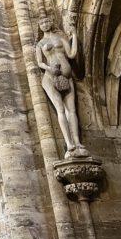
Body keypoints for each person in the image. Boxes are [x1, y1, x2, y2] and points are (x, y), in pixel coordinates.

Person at [35, 16, 87, 157]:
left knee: (72, 110)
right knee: (60, 110)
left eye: (47, 21)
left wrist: (74, 35)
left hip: (67, 76)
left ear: (51, 22)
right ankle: (69, 143)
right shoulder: (40, 43)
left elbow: (71, 54)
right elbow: (40, 62)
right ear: (39, 26)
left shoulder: (60, 38)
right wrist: (49, 68)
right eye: (42, 23)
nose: (45, 24)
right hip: (51, 77)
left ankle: (77, 142)